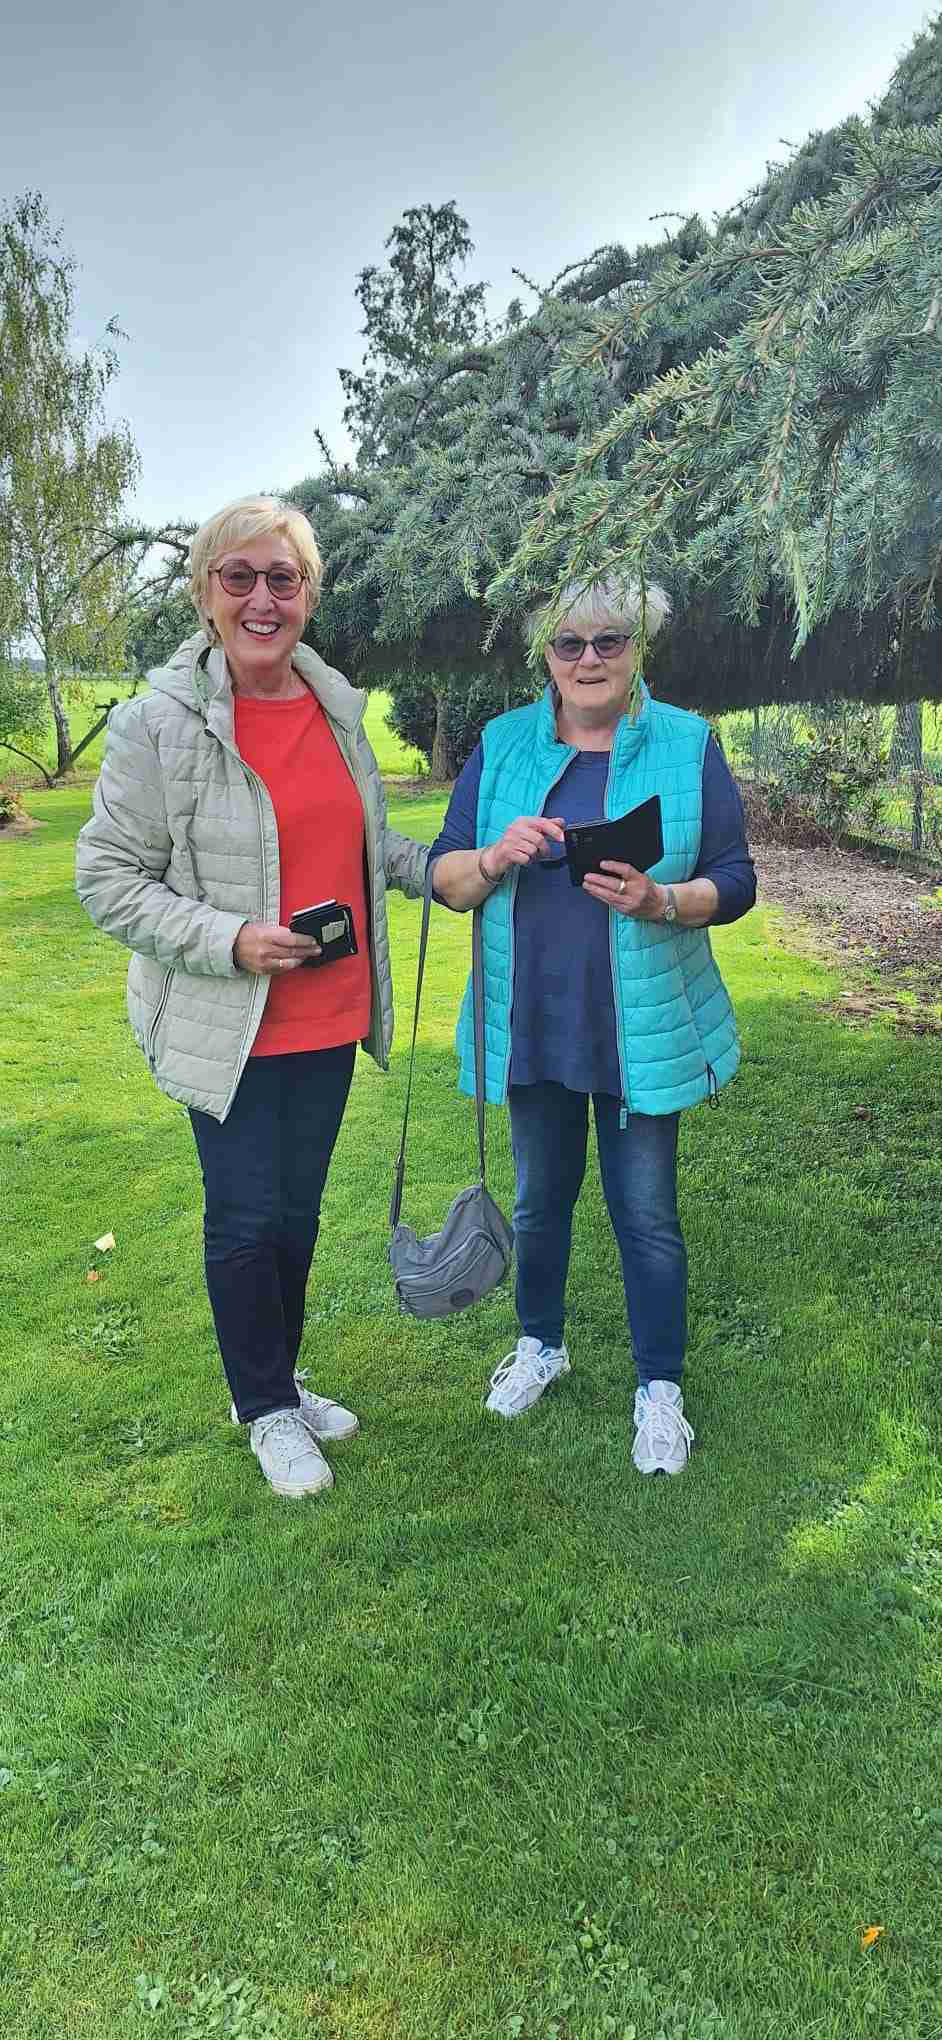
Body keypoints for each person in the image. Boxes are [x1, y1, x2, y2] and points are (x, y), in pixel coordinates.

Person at [76, 496, 427, 1502]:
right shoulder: (157, 725)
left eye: (284, 578)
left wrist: (449, 869)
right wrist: (228, 939)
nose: (262, 599)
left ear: (308, 595)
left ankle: (275, 1383)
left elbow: (366, 843)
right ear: (205, 593)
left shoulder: (336, 707)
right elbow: (107, 877)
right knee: (243, 1218)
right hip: (224, 1023)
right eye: (240, 577)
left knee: (297, 1216)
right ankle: (266, 1407)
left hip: (329, 1014)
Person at [429, 579, 756, 1475]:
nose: (588, 660)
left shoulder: (687, 744)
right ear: (546, 655)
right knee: (539, 1203)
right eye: (569, 644)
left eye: (609, 641)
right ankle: (540, 1345)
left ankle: (660, 1390)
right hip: (533, 1020)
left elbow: (736, 878)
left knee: (645, 1215)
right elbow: (445, 877)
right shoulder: (503, 744)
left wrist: (663, 900)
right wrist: (493, 855)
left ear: (638, 647)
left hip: (636, 1028)